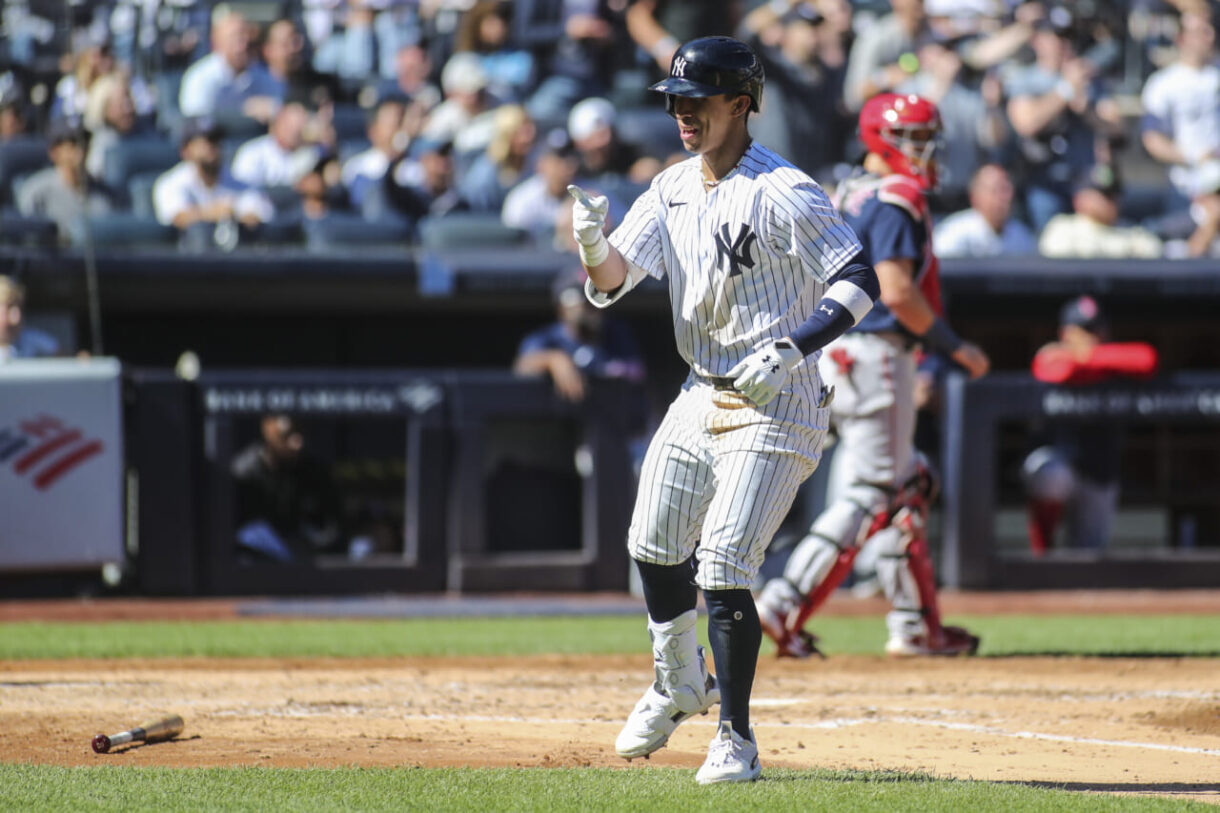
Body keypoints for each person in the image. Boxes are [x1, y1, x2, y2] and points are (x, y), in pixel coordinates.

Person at [569, 36, 878, 784]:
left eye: (696, 100)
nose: (682, 113)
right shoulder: (671, 186)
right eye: (674, 101)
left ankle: (736, 738)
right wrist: (590, 243)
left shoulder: (785, 188)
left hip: (778, 398)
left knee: (725, 560)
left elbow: (858, 279)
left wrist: (794, 348)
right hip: (699, 388)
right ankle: (680, 680)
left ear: (741, 104)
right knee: (651, 543)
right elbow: (613, 281)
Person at [755, 93, 990, 661]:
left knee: (910, 486)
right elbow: (898, 290)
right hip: (876, 351)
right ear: (881, 139)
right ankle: (783, 601)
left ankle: (916, 625)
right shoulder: (895, 195)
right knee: (875, 492)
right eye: (914, 138)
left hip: (835, 348)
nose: (926, 150)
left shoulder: (844, 191)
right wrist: (955, 347)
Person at [1023, 295, 1159, 555]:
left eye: (1097, 330)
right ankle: (1042, 557)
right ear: (1065, 333)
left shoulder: (1108, 360)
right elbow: (1053, 368)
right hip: (1059, 461)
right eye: (1084, 331)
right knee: (1051, 474)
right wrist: (1093, 360)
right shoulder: (1053, 357)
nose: (1093, 337)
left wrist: (1088, 356)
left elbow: (1146, 359)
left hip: (1098, 471)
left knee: (1090, 554)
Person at [1140, 9, 1220, 256]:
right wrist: (1195, 157)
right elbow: (1151, 139)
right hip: (1184, 189)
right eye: (1200, 32)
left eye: (1209, 30)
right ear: (1181, 38)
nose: (1209, 37)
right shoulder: (1164, 83)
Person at [513, 268, 646, 403]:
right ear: (561, 308)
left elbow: (637, 373)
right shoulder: (547, 338)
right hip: (561, 411)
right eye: (582, 300)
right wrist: (553, 360)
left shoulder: (616, 334)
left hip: (606, 410)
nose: (590, 307)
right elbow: (522, 367)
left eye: (596, 298)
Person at [231, 413, 343, 563]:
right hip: (259, 558)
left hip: (304, 553)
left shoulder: (311, 470)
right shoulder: (245, 472)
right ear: (269, 435)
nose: (297, 443)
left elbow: (331, 523)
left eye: (299, 434)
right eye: (286, 436)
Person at [153, 117, 273, 231]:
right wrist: (214, 213)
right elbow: (178, 218)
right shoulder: (171, 182)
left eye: (216, 140)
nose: (212, 147)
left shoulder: (236, 180)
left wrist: (237, 215)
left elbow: (260, 212)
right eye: (205, 141)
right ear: (185, 150)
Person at [16, 119, 113, 246]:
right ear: (54, 152)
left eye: (84, 142)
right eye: (73, 144)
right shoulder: (37, 192)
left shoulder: (104, 193)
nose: (81, 150)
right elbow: (28, 243)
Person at [1038, 164, 1164, 258]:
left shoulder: (1133, 233)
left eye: (1114, 194)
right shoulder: (1063, 228)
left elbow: (1154, 253)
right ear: (1080, 198)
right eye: (1104, 195)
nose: (1111, 201)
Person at [178, 10, 280, 120]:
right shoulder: (200, 77)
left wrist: (273, 109)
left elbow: (280, 108)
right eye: (235, 39)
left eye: (247, 39)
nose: (243, 46)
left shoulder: (262, 75)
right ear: (217, 42)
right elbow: (197, 123)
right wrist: (244, 114)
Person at [934, 163, 1038, 257]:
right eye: (996, 190)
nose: (1005, 197)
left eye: (1007, 190)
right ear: (975, 197)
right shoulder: (955, 233)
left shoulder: (1021, 235)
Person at [0, 276, 60, 363]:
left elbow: (62, 354)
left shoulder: (28, 338)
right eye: (9, 308)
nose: (17, 318)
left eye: (20, 308)